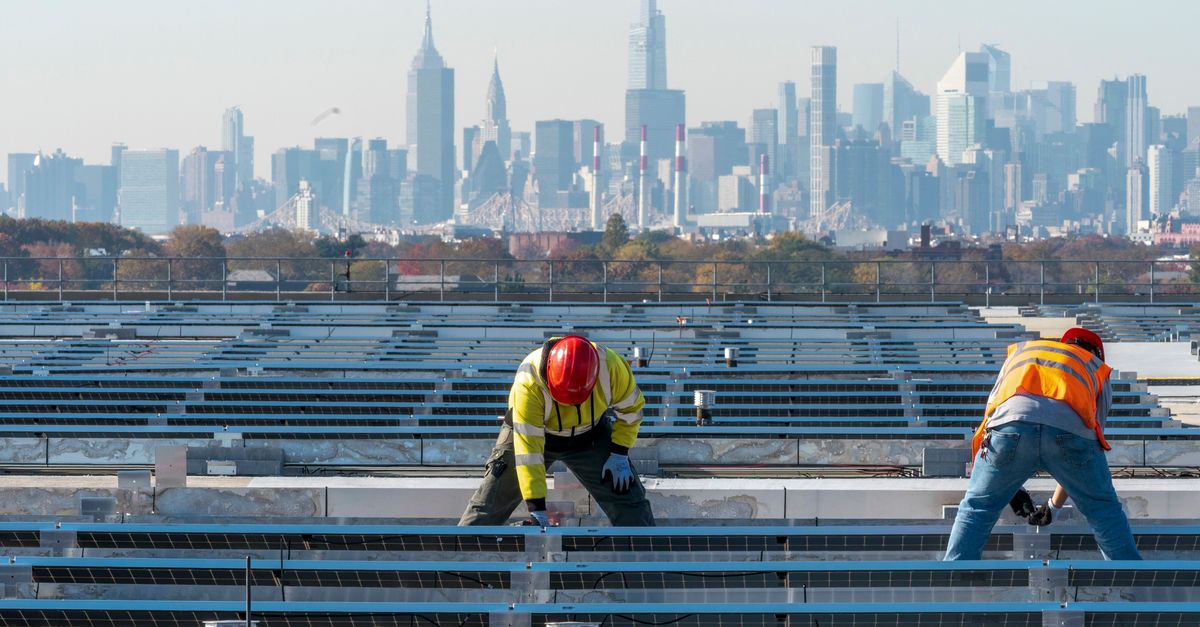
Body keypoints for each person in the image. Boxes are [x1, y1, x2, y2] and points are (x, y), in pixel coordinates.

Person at [944, 327, 1141, 560]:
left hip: (1009, 428)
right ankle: (1128, 579)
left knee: (977, 508)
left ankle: (955, 576)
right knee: (1103, 511)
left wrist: (1011, 489)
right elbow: (1086, 446)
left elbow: (991, 419)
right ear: (1097, 353)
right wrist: (1054, 507)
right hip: (1070, 434)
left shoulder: (1024, 354)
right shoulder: (1094, 367)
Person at [458, 335, 656, 527]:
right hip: (534, 434)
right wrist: (537, 508)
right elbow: (529, 454)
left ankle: (647, 555)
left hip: (591, 435)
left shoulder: (612, 366)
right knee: (488, 505)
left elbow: (632, 410)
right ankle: (459, 554)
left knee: (630, 502)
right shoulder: (529, 382)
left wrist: (619, 453)